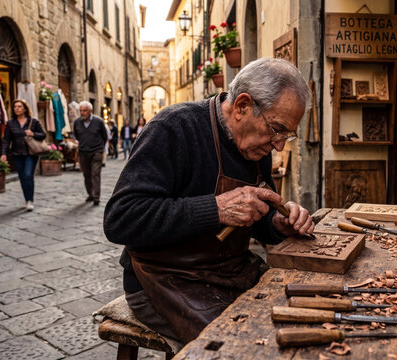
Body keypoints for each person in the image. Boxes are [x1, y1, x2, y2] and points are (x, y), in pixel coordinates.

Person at [103, 58, 314, 344]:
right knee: (245, 345)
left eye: (287, 135)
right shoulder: (174, 127)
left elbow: (258, 220)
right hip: (165, 279)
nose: (278, 145)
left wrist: (277, 224)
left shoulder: (257, 147)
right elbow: (120, 219)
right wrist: (216, 209)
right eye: (277, 129)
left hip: (232, 272)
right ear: (242, 106)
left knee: (302, 316)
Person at [0, 99, 46, 211]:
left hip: (31, 153)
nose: (17, 108)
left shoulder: (33, 122)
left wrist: (33, 134)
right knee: (22, 177)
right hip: (17, 154)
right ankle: (27, 200)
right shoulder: (11, 123)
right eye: (15, 106)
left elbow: (43, 135)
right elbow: (6, 140)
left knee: (28, 175)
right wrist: (3, 153)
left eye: (19, 106)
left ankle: (30, 200)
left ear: (25, 109)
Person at [73, 101, 108, 206]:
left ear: (90, 111)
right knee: (86, 174)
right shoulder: (77, 122)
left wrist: (100, 148)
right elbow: (77, 135)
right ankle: (90, 194)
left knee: (95, 173)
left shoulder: (99, 121)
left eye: (84, 111)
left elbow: (104, 136)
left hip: (96, 151)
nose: (82, 113)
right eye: (81, 111)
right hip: (83, 152)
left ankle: (96, 197)